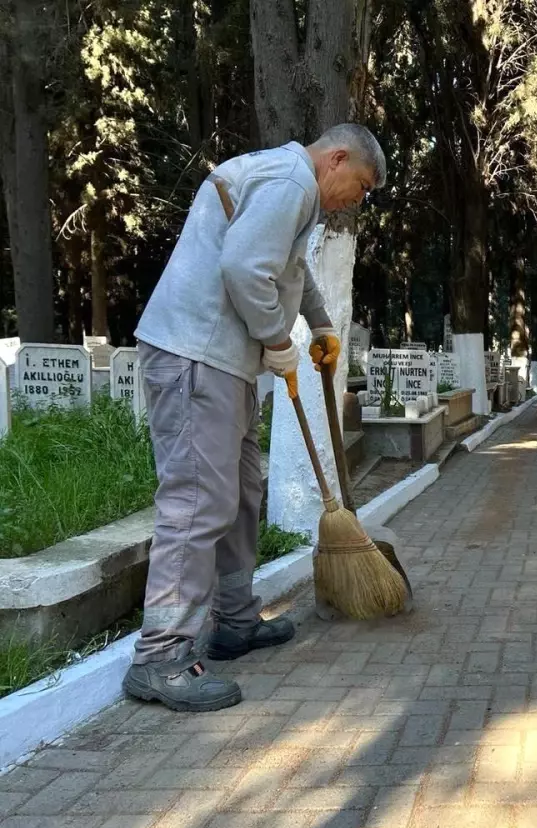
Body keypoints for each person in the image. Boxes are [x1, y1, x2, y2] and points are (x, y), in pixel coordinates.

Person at [124, 123, 387, 712]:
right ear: (336, 159)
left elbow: (290, 269)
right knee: (198, 500)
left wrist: (318, 322)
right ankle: (161, 655)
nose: (358, 200)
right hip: (196, 353)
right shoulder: (292, 180)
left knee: (241, 492)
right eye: (361, 186)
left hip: (222, 363)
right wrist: (276, 338)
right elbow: (245, 268)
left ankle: (234, 620)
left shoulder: (292, 187)